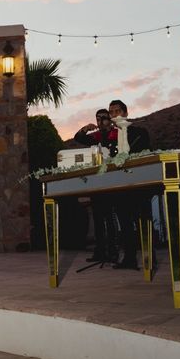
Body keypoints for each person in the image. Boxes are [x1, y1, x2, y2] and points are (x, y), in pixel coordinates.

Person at [108, 100, 153, 270]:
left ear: (125, 113)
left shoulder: (139, 132)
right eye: (111, 112)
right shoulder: (110, 136)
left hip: (138, 183)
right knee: (125, 224)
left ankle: (150, 258)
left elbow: (146, 152)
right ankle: (129, 259)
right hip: (120, 185)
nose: (114, 114)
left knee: (143, 222)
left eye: (118, 111)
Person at [73, 109, 119, 263]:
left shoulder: (116, 134)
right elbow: (78, 138)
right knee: (98, 218)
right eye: (98, 119)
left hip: (112, 181)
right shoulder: (96, 137)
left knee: (110, 219)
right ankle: (99, 252)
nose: (100, 122)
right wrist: (85, 128)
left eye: (103, 119)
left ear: (109, 120)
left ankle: (113, 251)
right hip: (97, 182)